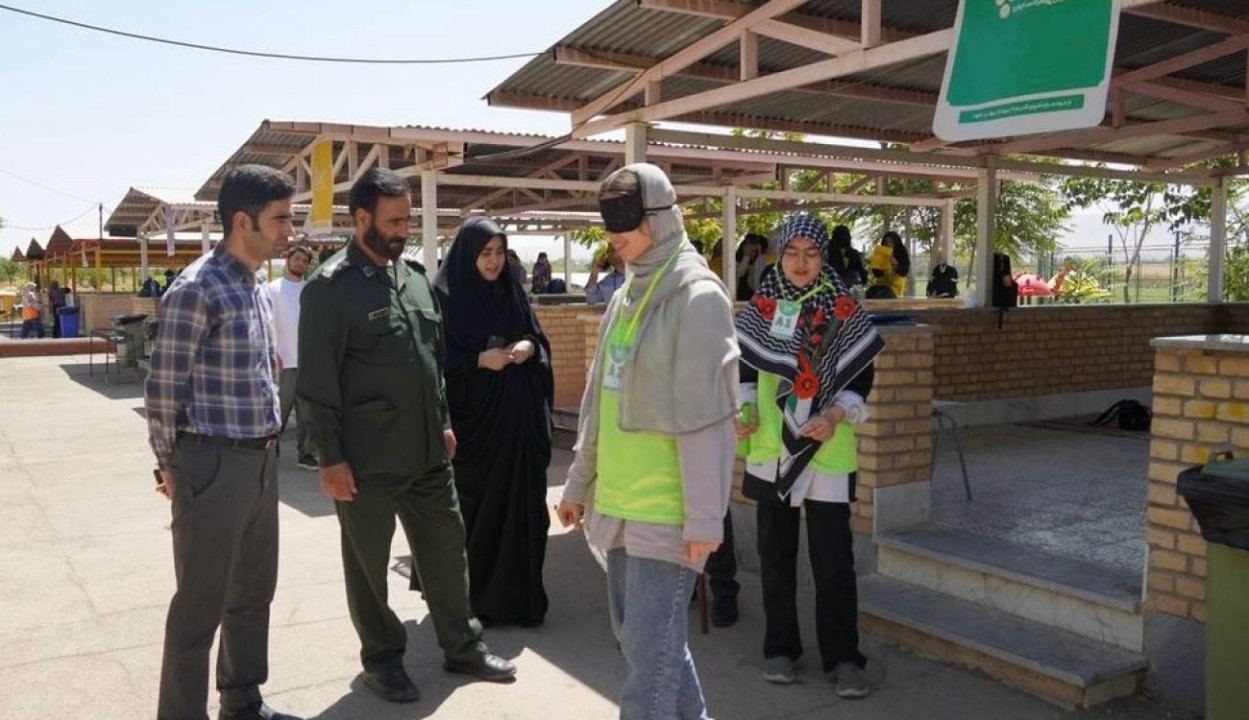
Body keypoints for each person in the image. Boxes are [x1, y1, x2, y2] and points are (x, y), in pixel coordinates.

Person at [297, 168, 515, 705]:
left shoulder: (414, 279)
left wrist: (442, 420)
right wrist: (329, 456)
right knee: (369, 566)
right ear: (361, 218)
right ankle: (383, 660)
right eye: (394, 221)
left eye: (408, 220)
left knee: (446, 551)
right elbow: (317, 382)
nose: (403, 230)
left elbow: (431, 364)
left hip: (426, 453)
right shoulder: (329, 290)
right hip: (366, 460)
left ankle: (462, 644)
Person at [557, 163, 739, 720]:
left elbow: (711, 420)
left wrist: (706, 519)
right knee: (650, 649)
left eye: (626, 227)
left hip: (667, 513)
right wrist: (578, 480)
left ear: (658, 220)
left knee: (646, 673)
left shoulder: (697, 296)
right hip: (617, 504)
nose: (615, 240)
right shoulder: (627, 292)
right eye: (610, 229)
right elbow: (598, 400)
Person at [144, 164, 301, 720]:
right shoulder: (196, 289)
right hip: (211, 462)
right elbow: (162, 389)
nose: (290, 231)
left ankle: (242, 701)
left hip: (260, 461)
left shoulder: (255, 287)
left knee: (252, 594)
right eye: (280, 220)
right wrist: (170, 466)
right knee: (199, 606)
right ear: (243, 221)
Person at [734, 213, 884, 699]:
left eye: (811, 253)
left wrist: (837, 415)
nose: (801, 263)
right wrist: (745, 409)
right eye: (792, 252)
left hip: (827, 450)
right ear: (781, 255)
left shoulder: (845, 310)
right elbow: (744, 371)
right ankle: (780, 647)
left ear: (824, 257)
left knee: (833, 560)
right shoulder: (761, 306)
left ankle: (843, 656)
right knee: (775, 555)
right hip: (770, 449)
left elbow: (861, 381)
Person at [434, 216, 554, 627]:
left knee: (522, 511)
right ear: (468, 255)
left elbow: (537, 338)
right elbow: (433, 361)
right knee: (475, 517)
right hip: (474, 432)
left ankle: (520, 602)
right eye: (485, 253)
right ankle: (472, 602)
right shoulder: (446, 298)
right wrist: (475, 361)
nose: (493, 262)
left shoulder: (510, 292)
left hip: (516, 426)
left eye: (500, 253)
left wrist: (526, 346)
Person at [268, 244, 316, 470]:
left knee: (307, 414)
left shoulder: (310, 290)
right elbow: (266, 324)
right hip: (283, 362)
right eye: (296, 259)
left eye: (304, 261)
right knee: (280, 410)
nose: (300, 264)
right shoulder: (272, 289)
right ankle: (269, 450)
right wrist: (272, 352)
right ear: (288, 260)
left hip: (307, 362)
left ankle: (305, 454)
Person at [866, 231, 909, 299]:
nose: (888, 245)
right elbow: (877, 275)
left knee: (881, 296)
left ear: (896, 243)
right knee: (869, 293)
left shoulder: (901, 254)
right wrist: (876, 264)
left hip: (894, 288)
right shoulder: (881, 254)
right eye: (885, 242)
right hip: (882, 285)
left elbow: (904, 272)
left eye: (891, 242)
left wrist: (896, 264)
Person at [828, 225, 867, 289]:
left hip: (849, 286)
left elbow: (860, 272)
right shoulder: (829, 250)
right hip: (834, 284)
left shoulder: (853, 253)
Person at [734, 233, 769, 301]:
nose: (752, 252)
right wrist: (746, 256)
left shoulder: (760, 261)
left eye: (754, 251)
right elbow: (740, 273)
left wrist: (759, 256)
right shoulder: (734, 261)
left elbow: (757, 282)